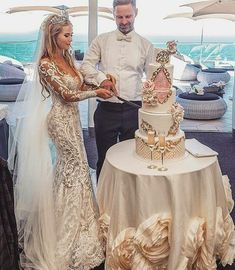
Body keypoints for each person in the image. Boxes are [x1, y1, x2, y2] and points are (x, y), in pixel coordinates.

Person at [7, 13, 114, 270]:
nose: (70, 39)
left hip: (73, 121)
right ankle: (65, 233)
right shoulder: (45, 64)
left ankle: (81, 224)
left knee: (75, 170)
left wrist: (102, 80)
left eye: (71, 35)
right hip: (58, 121)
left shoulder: (67, 58)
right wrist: (96, 93)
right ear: (53, 36)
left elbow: (80, 79)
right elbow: (66, 95)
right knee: (73, 169)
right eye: (67, 35)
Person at [80, 0, 154, 179]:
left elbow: (152, 77)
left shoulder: (146, 45)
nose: (124, 21)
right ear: (113, 15)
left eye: (128, 16)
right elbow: (85, 67)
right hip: (106, 109)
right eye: (119, 16)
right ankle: (104, 204)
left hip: (134, 108)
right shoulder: (101, 40)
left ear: (136, 13)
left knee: (131, 160)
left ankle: (128, 203)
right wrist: (101, 78)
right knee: (104, 159)